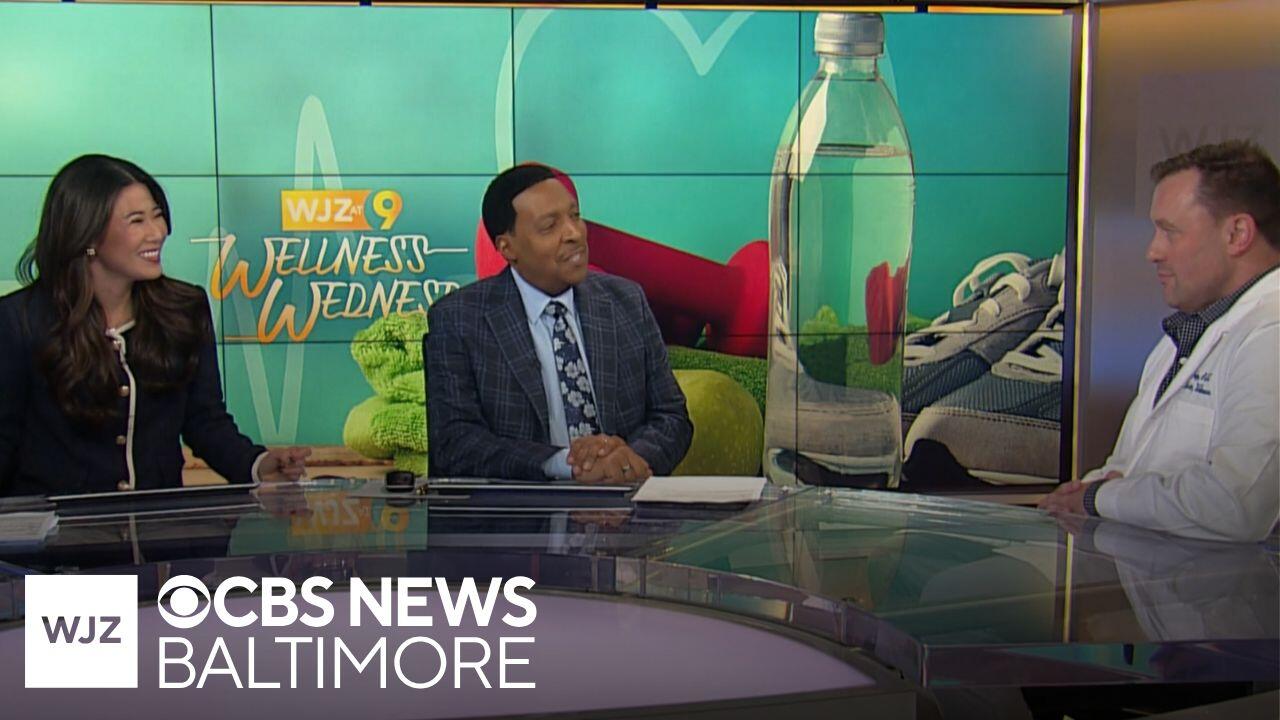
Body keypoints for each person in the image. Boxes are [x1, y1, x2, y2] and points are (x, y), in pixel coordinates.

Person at [0, 154, 309, 496]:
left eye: (157, 215)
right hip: (56, 527)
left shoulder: (184, 309)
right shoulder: (18, 321)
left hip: (159, 524)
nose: (157, 232)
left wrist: (258, 465)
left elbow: (205, 421)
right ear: (86, 233)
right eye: (137, 221)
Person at [1041, 140, 1279, 541]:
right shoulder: (1182, 337)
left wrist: (1099, 498)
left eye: (1170, 232)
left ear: (1237, 233)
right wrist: (1089, 492)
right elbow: (1127, 468)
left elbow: (1235, 505)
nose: (1152, 251)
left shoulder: (1270, 333)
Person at [427, 164, 692, 483]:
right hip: (522, 509)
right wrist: (564, 465)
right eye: (549, 226)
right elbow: (455, 442)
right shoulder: (459, 319)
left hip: (625, 502)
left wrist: (627, 462)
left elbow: (671, 416)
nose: (574, 234)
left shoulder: (626, 301)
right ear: (507, 247)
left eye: (575, 216)